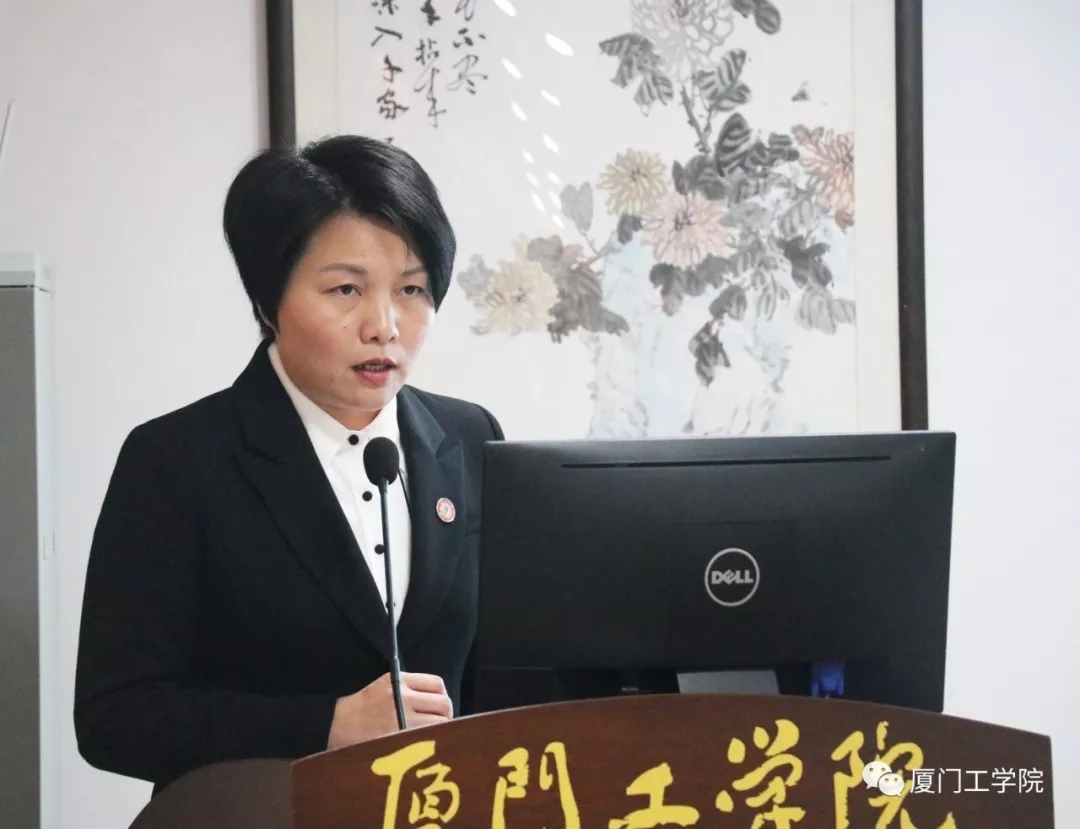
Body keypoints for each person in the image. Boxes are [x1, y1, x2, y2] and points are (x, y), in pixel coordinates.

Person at [73, 135, 503, 795]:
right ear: (267, 301)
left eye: (412, 289)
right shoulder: (176, 460)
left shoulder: (470, 437)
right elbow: (115, 717)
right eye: (346, 288)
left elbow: (504, 672)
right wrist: (323, 724)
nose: (384, 325)